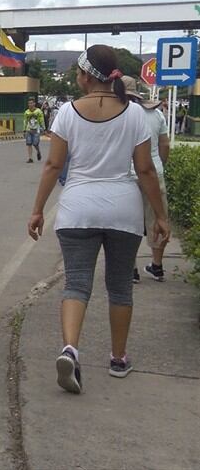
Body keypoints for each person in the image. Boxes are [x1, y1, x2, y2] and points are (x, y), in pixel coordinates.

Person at [27, 45, 170, 394]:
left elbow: (53, 165)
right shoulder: (135, 114)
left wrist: (36, 210)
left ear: (88, 75)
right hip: (123, 207)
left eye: (78, 72)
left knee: (76, 283)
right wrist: (161, 216)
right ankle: (118, 359)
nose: (77, 78)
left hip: (77, 208)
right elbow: (146, 169)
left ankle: (70, 349)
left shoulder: (67, 112)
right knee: (119, 286)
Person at [121, 76, 171, 283]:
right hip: (154, 173)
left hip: (127, 175)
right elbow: (165, 145)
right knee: (158, 219)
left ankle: (131, 270)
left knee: (128, 222)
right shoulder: (156, 114)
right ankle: (157, 266)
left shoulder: (117, 114)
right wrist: (159, 164)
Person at [23, 98, 45, 163]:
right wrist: (24, 130)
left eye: (31, 103)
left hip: (36, 129)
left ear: (34, 103)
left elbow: (41, 120)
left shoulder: (39, 111)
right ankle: (30, 158)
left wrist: (43, 128)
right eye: (29, 103)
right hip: (28, 129)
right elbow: (25, 121)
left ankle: (38, 151)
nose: (30, 104)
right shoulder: (26, 112)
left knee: (35, 144)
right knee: (29, 143)